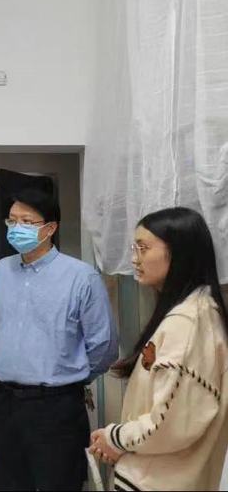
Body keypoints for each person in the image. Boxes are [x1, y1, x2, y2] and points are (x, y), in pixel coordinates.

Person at [0, 188, 118, 491]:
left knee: (58, 483)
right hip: (1, 402)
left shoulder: (81, 277)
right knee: (5, 483)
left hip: (55, 406)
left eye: (27, 221)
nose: (16, 228)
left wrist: (69, 376)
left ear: (50, 228)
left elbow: (104, 347)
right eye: (12, 221)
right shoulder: (0, 272)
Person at [89, 207, 228, 491]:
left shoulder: (188, 322)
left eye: (143, 248)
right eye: (134, 248)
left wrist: (115, 438)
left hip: (158, 481)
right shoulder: (191, 311)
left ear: (179, 253)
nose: (134, 259)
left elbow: (169, 424)